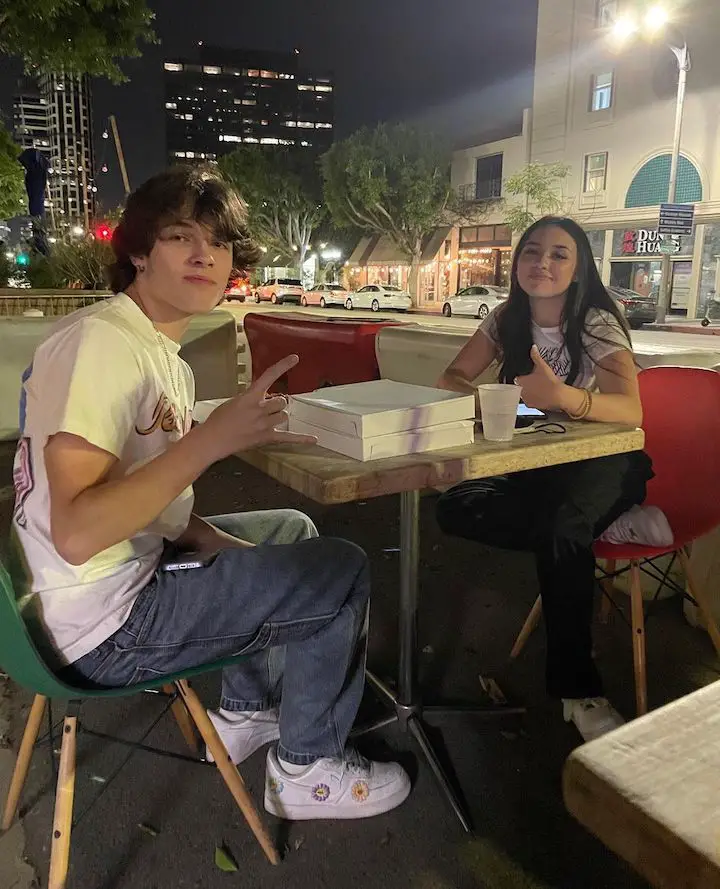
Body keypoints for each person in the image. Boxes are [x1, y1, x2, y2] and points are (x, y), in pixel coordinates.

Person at [11, 166, 410, 820]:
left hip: (96, 589)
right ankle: (308, 767)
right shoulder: (103, 344)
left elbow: (167, 520)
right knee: (342, 570)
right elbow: (79, 532)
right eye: (179, 236)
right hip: (103, 623)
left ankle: (246, 712)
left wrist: (245, 555)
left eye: (219, 243)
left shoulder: (158, 353)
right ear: (139, 251)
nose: (204, 256)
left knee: (288, 532)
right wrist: (210, 440)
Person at [434, 216, 655, 742]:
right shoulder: (506, 318)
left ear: (578, 270)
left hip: (604, 458)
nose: (542, 263)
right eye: (532, 251)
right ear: (517, 264)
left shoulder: (596, 320)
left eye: (559, 254)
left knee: (562, 530)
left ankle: (580, 693)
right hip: (534, 460)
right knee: (453, 505)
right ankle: (607, 526)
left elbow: (632, 411)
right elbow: (450, 376)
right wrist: (492, 399)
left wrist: (564, 398)